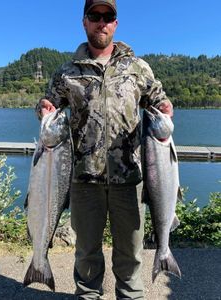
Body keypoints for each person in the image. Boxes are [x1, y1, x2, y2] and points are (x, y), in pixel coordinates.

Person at [36, 0, 173, 299]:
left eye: (108, 16)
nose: (102, 22)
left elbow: (158, 100)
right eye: (95, 16)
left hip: (131, 180)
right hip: (83, 180)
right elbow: (48, 107)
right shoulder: (66, 72)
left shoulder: (137, 67)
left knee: (130, 258)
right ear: (84, 22)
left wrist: (165, 107)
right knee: (86, 258)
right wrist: (44, 109)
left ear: (116, 23)